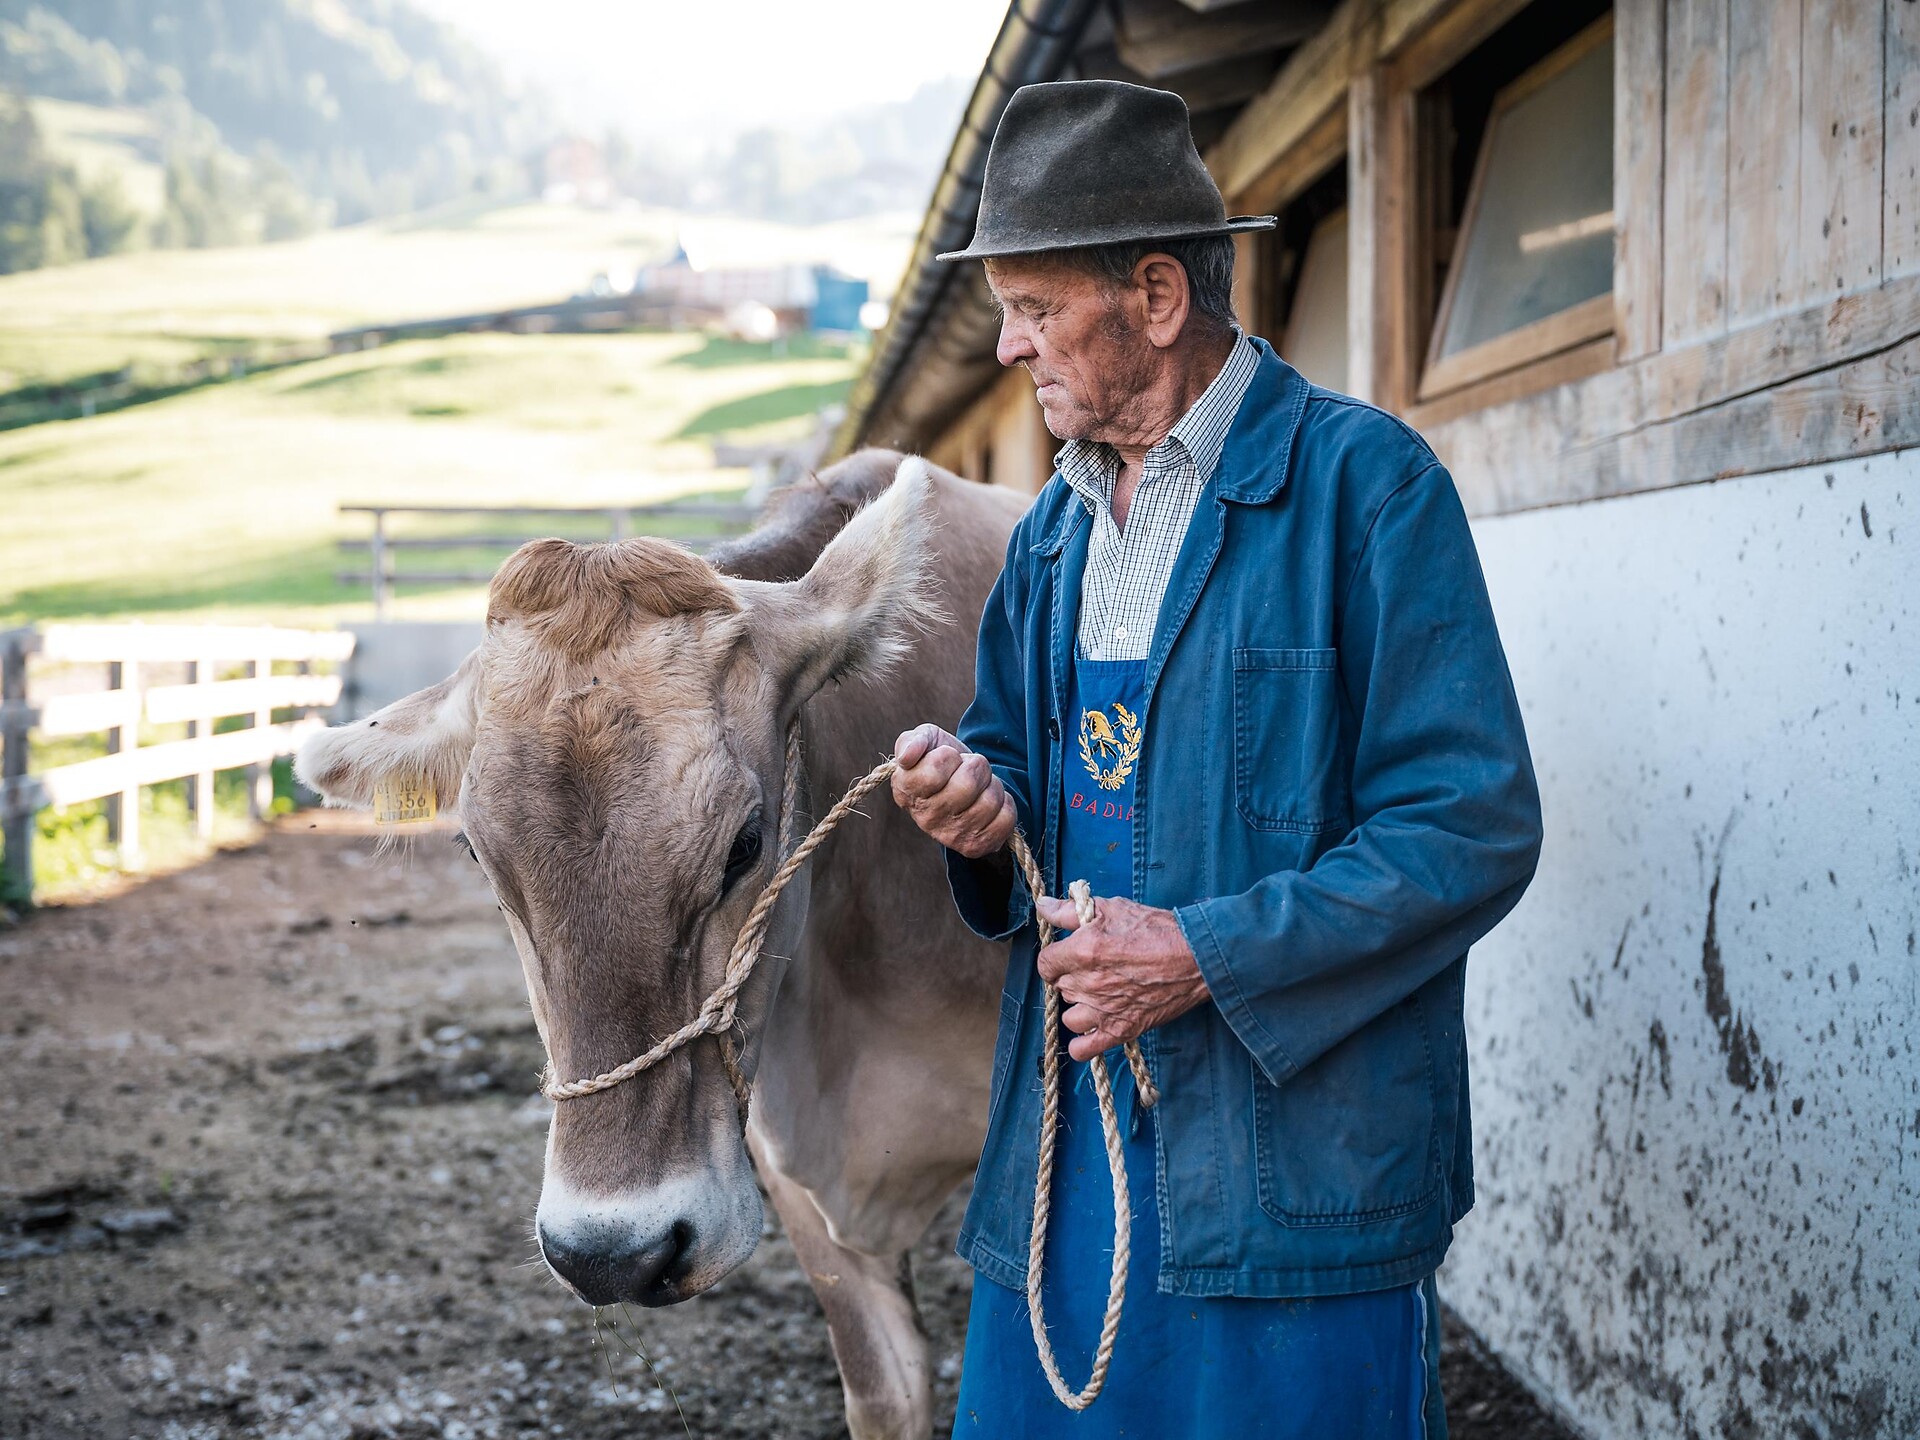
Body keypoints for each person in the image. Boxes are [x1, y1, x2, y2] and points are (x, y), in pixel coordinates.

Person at [888, 79, 1544, 1438]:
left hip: (1297, 1184)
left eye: (1035, 309)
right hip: (1069, 1173)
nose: (1010, 348)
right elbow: (1013, 761)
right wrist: (975, 803)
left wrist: (1203, 956)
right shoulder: (1053, 540)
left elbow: (1467, 824)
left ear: (1157, 298)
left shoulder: (1370, 489)